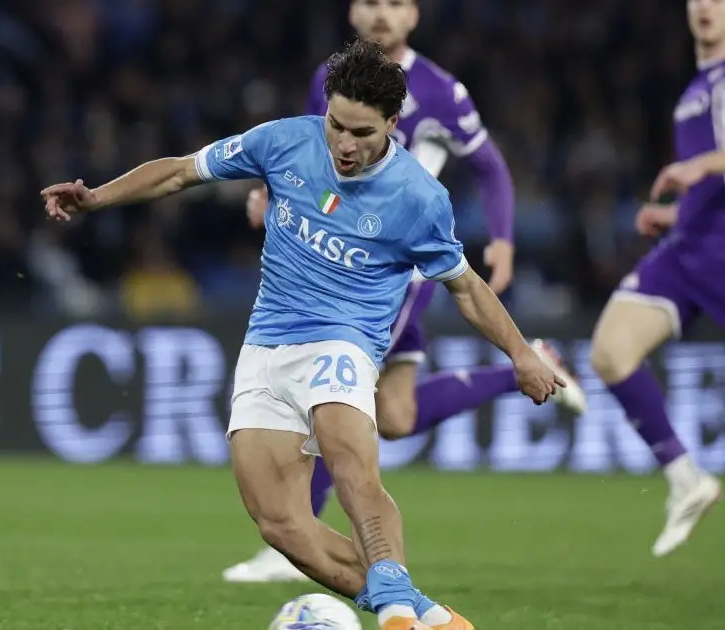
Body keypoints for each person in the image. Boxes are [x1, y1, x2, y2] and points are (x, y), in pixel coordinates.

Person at [42, 38, 566, 630]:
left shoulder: (419, 199)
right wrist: (97, 198)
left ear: (393, 125)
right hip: (266, 344)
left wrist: (520, 354)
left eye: (362, 133)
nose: (344, 144)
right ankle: (424, 614)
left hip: (344, 342)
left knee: (350, 464)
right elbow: (182, 172)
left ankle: (395, 612)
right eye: (336, 125)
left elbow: (466, 288)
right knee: (279, 522)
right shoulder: (284, 141)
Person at [226, 0, 588, 583]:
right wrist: (270, 191)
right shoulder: (332, 79)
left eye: (394, 4)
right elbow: (306, 152)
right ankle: (526, 364)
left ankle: (294, 537)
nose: (380, 15)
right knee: (395, 415)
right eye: (370, 2)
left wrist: (502, 239)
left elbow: (490, 167)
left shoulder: (442, 92)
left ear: (414, 16)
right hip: (342, 255)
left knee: (331, 389)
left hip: (393, 276)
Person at [587, 0, 725, 559]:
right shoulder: (697, 87)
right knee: (611, 351)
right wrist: (677, 214)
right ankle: (686, 479)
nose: (704, 6)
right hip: (690, 249)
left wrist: (702, 165)